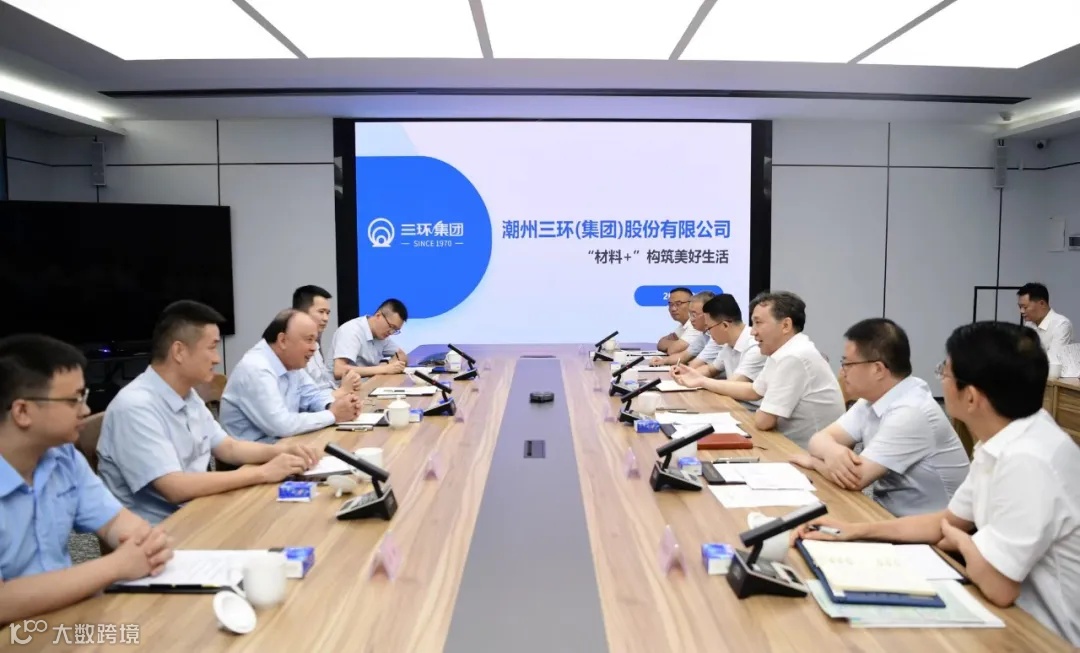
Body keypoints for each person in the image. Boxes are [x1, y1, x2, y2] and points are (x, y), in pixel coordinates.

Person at [795, 321, 1080, 646]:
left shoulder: (1028, 460)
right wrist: (855, 530)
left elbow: (999, 587)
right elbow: (946, 521)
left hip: (1044, 635)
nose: (939, 379)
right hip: (1006, 611)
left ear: (970, 397)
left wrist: (962, 541)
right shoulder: (1003, 438)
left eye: (945, 372)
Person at [97, 301, 323, 525]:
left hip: (200, 510)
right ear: (179, 351)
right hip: (161, 532)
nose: (217, 358)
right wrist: (263, 473)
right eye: (211, 347)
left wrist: (280, 451)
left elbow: (228, 447)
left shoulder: (187, 395)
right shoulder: (136, 406)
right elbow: (174, 487)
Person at [0, 334, 173, 624]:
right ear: (22, 411)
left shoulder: (63, 457)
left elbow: (117, 523)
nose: (85, 410)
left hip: (67, 617)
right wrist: (116, 566)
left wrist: (147, 544)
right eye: (74, 400)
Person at [790, 318, 970, 517]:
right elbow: (819, 439)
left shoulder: (911, 411)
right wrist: (832, 451)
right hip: (888, 515)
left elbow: (855, 479)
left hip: (935, 529)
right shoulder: (871, 400)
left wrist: (815, 462)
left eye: (848, 363)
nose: (842, 371)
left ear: (878, 369)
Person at [675, 291, 843, 447]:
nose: (753, 332)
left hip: (802, 450)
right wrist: (701, 380)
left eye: (758, 323)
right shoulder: (781, 350)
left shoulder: (794, 356)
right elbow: (754, 390)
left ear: (785, 325)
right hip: (783, 442)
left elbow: (764, 421)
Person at [221, 310, 361, 444]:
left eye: (315, 340)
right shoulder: (256, 368)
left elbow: (312, 396)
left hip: (284, 444)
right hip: (253, 454)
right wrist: (333, 415)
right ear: (282, 340)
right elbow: (280, 425)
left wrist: (336, 406)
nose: (314, 348)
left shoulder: (290, 362)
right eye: (309, 340)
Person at [670, 293, 766, 391]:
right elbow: (710, 369)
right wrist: (687, 375)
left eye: (709, 328)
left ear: (725, 325)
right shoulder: (728, 345)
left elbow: (733, 384)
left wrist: (701, 381)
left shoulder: (756, 346)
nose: (708, 333)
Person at [291, 285, 351, 393]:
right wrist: (342, 391)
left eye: (327, 313)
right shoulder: (293, 348)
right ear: (301, 313)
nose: (326, 318)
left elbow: (323, 383)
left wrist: (345, 386)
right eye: (321, 312)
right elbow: (308, 396)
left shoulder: (315, 343)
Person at [331, 299, 410, 379]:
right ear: (378, 316)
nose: (391, 332)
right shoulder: (352, 331)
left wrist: (386, 364)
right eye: (391, 326)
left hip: (366, 383)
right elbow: (339, 370)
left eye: (395, 330)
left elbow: (402, 356)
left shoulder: (382, 335)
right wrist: (384, 369)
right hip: (340, 386)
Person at [650, 291, 714, 366]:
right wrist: (662, 361)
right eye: (690, 314)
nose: (691, 319)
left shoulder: (716, 336)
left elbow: (703, 367)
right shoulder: (704, 335)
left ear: (708, 314)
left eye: (694, 314)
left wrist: (682, 369)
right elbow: (684, 356)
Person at [1017, 282, 1073, 361]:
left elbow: (1054, 360)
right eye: (1020, 307)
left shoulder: (1062, 325)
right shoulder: (1029, 324)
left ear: (1042, 304)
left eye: (1025, 307)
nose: (1021, 311)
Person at [655, 288, 702, 356]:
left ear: (691, 304)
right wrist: (675, 344)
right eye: (671, 304)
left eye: (678, 304)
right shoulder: (683, 324)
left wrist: (673, 345)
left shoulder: (696, 324)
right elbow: (660, 344)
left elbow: (673, 350)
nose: (673, 309)